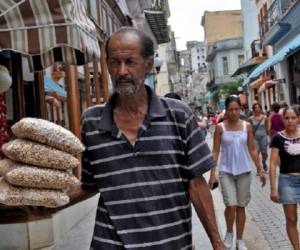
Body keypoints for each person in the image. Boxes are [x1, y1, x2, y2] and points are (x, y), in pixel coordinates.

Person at [80, 27, 225, 250]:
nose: (121, 71)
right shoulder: (91, 122)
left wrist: (217, 243)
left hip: (170, 242)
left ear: (148, 65)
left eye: (130, 62)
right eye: (114, 63)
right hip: (110, 243)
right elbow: (89, 184)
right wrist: (45, 202)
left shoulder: (178, 115)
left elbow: (196, 185)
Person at [209, 95, 266, 250]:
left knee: (241, 206)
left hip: (244, 171)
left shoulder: (246, 126)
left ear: (240, 109)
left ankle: (240, 240)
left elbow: (252, 149)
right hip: (226, 171)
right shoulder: (220, 128)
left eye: (236, 109)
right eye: (230, 109)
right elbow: (215, 151)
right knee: (231, 205)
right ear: (226, 111)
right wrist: (212, 173)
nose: (233, 112)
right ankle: (229, 232)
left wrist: (260, 169)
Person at [269, 106, 300, 250]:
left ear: (298, 118)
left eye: (293, 117)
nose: (290, 121)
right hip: (287, 182)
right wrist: (273, 189)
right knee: (291, 219)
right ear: (283, 119)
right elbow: (273, 163)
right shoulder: (278, 138)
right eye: (287, 118)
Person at [248, 103, 269, 172]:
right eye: (255, 107)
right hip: (255, 137)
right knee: (256, 152)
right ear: (253, 109)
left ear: (260, 108)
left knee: (264, 153)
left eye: (258, 107)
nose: (257, 109)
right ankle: (258, 167)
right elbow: (249, 129)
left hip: (263, 136)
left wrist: (269, 136)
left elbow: (267, 128)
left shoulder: (265, 117)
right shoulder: (250, 119)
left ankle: (263, 161)